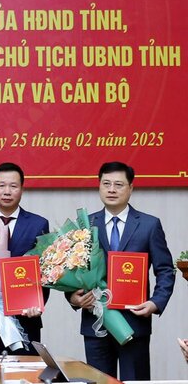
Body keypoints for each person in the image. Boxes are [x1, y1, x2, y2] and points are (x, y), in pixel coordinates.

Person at [67, 161, 175, 381]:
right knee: (98, 381)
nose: (112, 189)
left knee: (134, 380)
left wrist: (155, 302)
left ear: (131, 188)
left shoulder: (149, 225)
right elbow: (72, 270)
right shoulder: (85, 224)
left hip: (134, 322)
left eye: (118, 184)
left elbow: (165, 269)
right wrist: (73, 298)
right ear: (99, 186)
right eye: (106, 184)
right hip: (96, 322)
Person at [0, 162, 49, 354]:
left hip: (26, 316)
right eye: (1, 185)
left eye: (13, 186)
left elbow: (45, 271)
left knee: (25, 370)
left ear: (22, 189)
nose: (7, 191)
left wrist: (37, 303)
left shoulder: (38, 224)